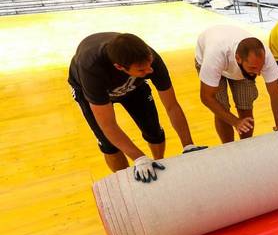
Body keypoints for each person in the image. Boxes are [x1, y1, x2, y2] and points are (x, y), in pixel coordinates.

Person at [68, 32, 204, 183]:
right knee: (109, 145)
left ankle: (158, 164)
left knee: (154, 131)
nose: (149, 71)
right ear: (119, 67)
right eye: (142, 70)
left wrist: (188, 145)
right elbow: (108, 124)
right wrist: (139, 158)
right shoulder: (91, 68)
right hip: (90, 91)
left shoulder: (151, 60)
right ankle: (127, 182)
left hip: (134, 86)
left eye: (149, 65)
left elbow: (172, 105)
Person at [195, 24, 278, 143]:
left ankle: (245, 145)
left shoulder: (264, 56)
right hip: (210, 60)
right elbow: (206, 97)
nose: (258, 73)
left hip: (237, 66)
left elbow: (274, 92)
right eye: (253, 68)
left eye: (260, 67)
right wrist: (235, 122)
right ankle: (228, 147)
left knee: (245, 107)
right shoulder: (214, 55)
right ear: (238, 58)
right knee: (222, 107)